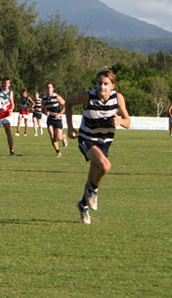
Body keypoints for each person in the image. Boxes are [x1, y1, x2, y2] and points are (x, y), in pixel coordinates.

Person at [66, 70, 131, 224]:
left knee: (92, 176)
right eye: (99, 83)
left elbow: (128, 122)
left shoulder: (118, 98)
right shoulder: (87, 96)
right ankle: (93, 191)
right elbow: (68, 103)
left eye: (106, 84)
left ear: (113, 85)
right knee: (105, 166)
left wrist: (120, 121)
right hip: (87, 139)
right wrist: (70, 128)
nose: (102, 86)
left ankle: (83, 205)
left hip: (105, 142)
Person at [42, 82, 68, 157]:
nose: (49, 89)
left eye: (50, 87)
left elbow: (65, 105)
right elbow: (42, 109)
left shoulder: (56, 97)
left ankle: (63, 137)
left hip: (57, 119)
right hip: (50, 119)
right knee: (52, 136)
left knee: (58, 137)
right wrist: (45, 112)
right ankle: (58, 152)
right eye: (47, 87)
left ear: (53, 89)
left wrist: (60, 114)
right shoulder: (44, 98)